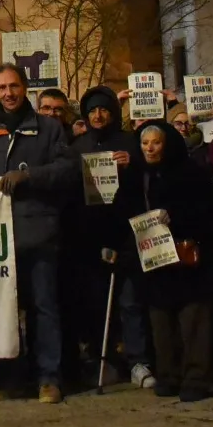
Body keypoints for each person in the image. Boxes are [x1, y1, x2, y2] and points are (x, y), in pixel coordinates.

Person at [0, 64, 76, 404]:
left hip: (39, 233)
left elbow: (67, 169)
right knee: (5, 312)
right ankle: (13, 379)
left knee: (43, 308)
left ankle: (48, 379)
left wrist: (29, 176)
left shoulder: (49, 129)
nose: (8, 93)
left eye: (13, 86)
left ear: (25, 88)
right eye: (1, 88)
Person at [114, 120, 213, 401]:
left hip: (187, 258)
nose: (150, 148)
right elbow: (121, 211)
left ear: (168, 144)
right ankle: (169, 374)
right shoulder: (134, 175)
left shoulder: (190, 173)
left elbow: (208, 211)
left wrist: (177, 216)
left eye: (156, 142)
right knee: (160, 322)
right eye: (145, 143)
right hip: (152, 259)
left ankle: (195, 377)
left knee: (192, 320)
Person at [73, 86, 153, 390]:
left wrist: (132, 165)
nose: (98, 115)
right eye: (92, 110)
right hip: (91, 235)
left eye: (103, 109)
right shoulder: (78, 146)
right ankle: (100, 357)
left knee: (130, 300)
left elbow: (150, 175)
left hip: (126, 232)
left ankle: (138, 360)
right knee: (95, 301)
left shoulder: (130, 144)